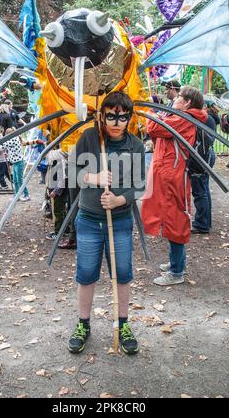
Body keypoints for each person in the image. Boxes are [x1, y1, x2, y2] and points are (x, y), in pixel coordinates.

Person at [67, 91, 145, 355]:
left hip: (120, 222)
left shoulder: (135, 145)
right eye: (110, 116)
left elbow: (140, 185)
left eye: (122, 117)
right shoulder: (90, 138)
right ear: (102, 116)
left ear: (128, 118)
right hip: (89, 220)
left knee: (122, 274)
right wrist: (94, 177)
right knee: (86, 274)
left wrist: (119, 201)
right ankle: (83, 325)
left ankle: (123, 325)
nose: (116, 122)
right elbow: (72, 173)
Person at [141, 87, 208, 286]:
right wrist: (159, 117)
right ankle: (175, 262)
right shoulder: (179, 116)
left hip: (172, 175)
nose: (175, 98)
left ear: (187, 102)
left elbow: (153, 128)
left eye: (178, 96)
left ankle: (177, 271)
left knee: (175, 220)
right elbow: (158, 135)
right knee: (168, 218)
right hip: (167, 173)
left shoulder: (184, 118)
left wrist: (152, 114)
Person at [190, 103, 218, 234]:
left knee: (200, 191)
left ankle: (202, 224)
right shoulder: (209, 118)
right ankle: (206, 221)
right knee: (204, 189)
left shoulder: (202, 118)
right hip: (207, 156)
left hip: (201, 158)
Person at [3, 128, 30, 202]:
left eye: (7, 135)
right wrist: (7, 154)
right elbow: (10, 150)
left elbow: (3, 145)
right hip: (15, 163)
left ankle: (26, 195)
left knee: (20, 180)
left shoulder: (14, 139)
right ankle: (16, 195)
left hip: (19, 163)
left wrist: (0, 138)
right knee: (15, 180)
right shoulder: (12, 140)